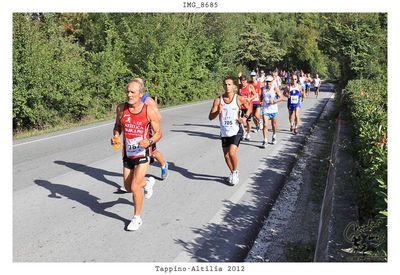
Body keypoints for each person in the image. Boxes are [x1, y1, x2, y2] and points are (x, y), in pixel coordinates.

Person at [111, 79, 162, 231]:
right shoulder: (121, 108)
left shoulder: (148, 110)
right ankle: (148, 183)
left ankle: (136, 218)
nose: (129, 94)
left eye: (133, 92)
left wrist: (150, 141)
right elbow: (117, 126)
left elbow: (159, 133)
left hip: (142, 152)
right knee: (127, 187)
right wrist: (115, 136)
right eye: (127, 91)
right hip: (128, 152)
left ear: (141, 94)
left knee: (134, 186)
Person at [208, 77, 251, 186]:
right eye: (225, 85)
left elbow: (249, 108)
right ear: (223, 86)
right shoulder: (218, 100)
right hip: (224, 131)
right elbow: (210, 117)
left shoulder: (239, 98)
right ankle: (232, 171)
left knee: (232, 153)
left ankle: (235, 171)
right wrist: (218, 111)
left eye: (229, 84)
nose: (227, 87)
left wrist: (245, 118)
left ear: (234, 87)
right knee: (226, 156)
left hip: (236, 130)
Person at [260, 75, 284, 148]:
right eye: (267, 82)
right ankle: (265, 140)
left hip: (273, 110)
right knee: (265, 125)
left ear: (272, 82)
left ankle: (274, 135)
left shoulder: (275, 88)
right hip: (265, 109)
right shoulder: (263, 89)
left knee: (273, 124)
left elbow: (281, 98)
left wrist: (273, 101)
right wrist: (261, 102)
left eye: (269, 82)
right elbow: (261, 97)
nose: (268, 83)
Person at [237, 73, 256, 140]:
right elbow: (238, 95)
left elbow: (255, 95)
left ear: (246, 81)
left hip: (248, 107)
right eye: (241, 82)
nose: (243, 84)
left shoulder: (250, 86)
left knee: (248, 121)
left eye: (244, 82)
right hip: (241, 106)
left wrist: (249, 99)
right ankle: (243, 131)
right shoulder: (239, 86)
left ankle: (248, 133)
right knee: (240, 120)